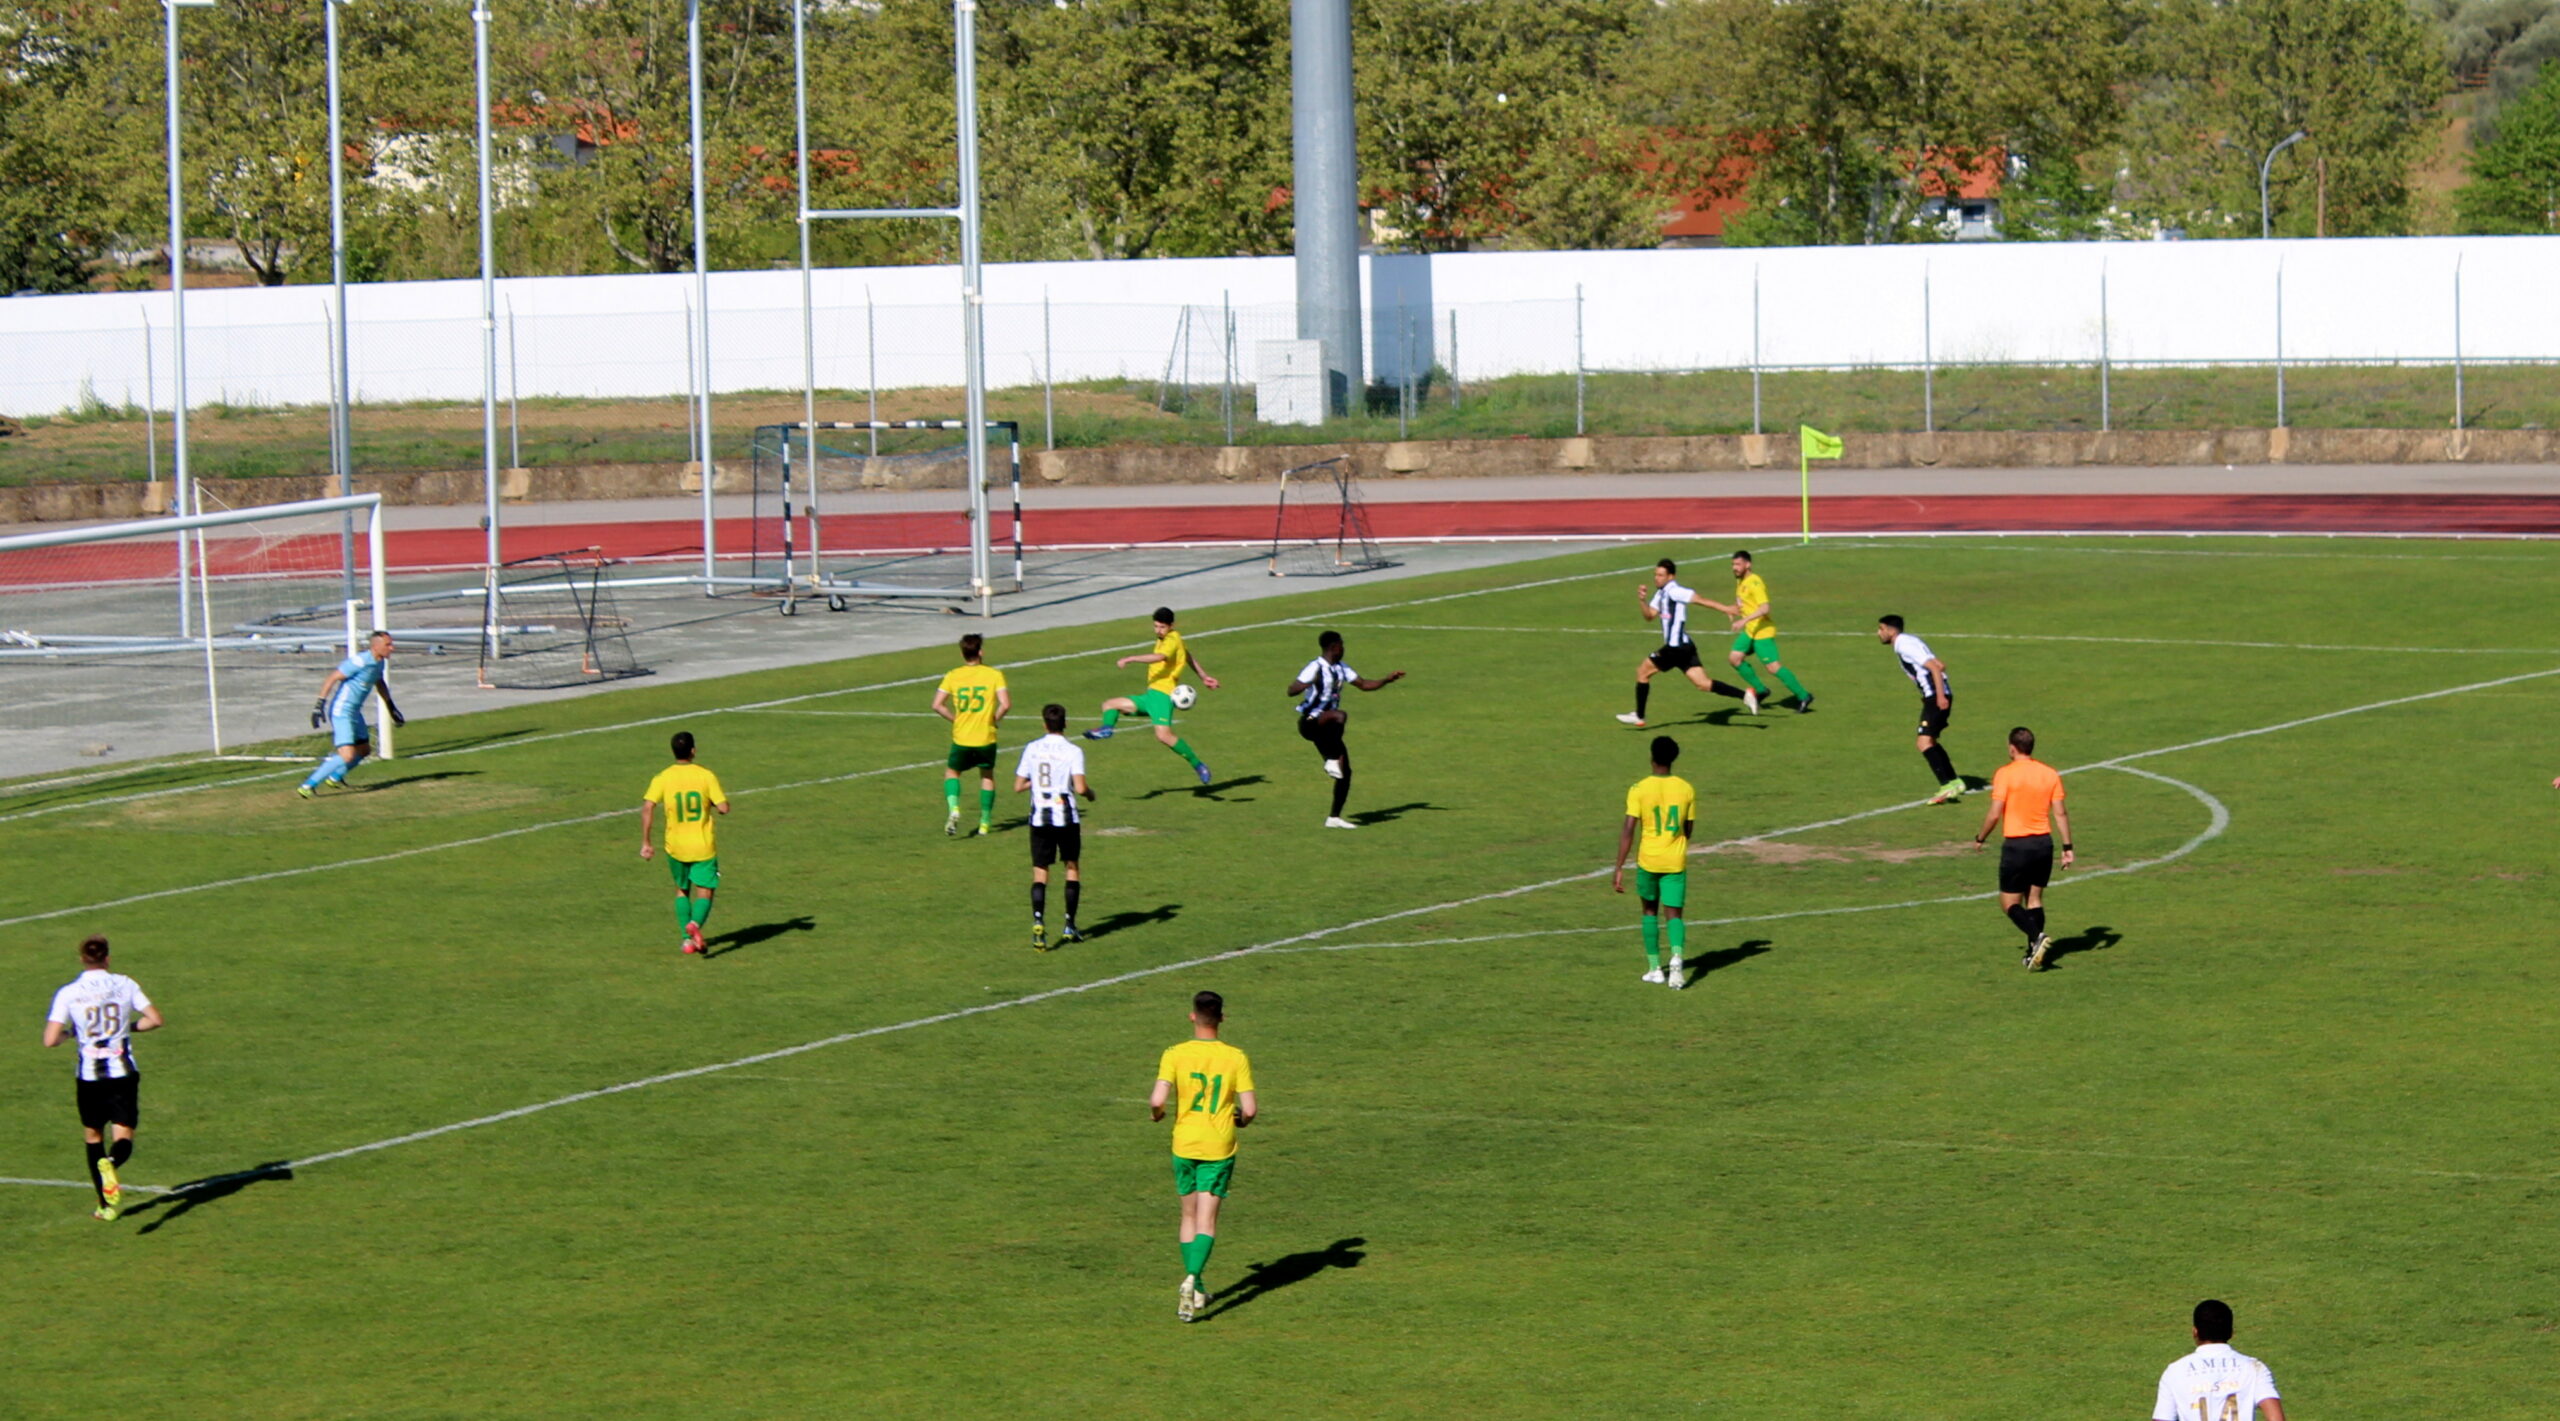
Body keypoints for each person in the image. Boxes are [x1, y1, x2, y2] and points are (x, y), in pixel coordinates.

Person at [1150, 990, 1256, 1323]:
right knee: (1207, 1220)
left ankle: (1195, 1290)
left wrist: (1158, 1115)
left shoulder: (1175, 1053)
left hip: (1184, 1143)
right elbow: (1250, 1109)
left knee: (1188, 1217)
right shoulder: (1235, 1057)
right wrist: (1241, 1119)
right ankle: (1193, 1279)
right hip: (1218, 1146)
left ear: (1192, 1016)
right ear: (1222, 1019)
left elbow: (1156, 1100)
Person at [43, 936, 164, 1222]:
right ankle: (112, 1162)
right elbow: (155, 1019)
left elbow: (50, 1040)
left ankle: (105, 1206)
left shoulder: (69, 993)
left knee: (92, 1136)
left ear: (82, 959)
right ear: (107, 959)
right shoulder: (124, 984)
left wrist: (71, 1034)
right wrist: (128, 1027)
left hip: (89, 1077)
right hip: (122, 1073)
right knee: (123, 1135)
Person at [1973, 726, 2074, 971]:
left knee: (2009, 903)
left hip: (2017, 845)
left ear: (2012, 748)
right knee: (2035, 899)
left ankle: (2036, 936)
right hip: (2043, 844)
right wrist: (2067, 846)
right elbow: (2060, 812)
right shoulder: (2049, 774)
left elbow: (1995, 813)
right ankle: (2033, 953)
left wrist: (1980, 837)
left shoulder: (2005, 774)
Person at [1286, 630, 1406, 829]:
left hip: (1328, 729)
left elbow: (1364, 684)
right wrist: (1306, 683)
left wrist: (1386, 680)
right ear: (1334, 647)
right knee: (1340, 715)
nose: (1344, 649)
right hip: (1310, 723)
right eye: (1342, 645)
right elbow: (1291, 690)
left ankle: (1334, 817)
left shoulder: (1341, 668)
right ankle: (1331, 759)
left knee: (1345, 772)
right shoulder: (1315, 667)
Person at [1087, 607, 1219, 786]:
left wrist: (1131, 658)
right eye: (1156, 626)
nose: (1158, 631)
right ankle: (1107, 729)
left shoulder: (1172, 639)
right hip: (1151, 695)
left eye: (1162, 627)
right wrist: (1203, 676)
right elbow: (1186, 655)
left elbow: (1159, 657)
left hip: (1162, 695)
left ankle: (1198, 765)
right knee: (1110, 704)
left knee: (1164, 736)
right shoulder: (1170, 639)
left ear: (1171, 625)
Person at [1618, 558, 1756, 726]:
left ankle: (1639, 716)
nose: (1657, 578)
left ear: (1671, 576)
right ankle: (1746, 696)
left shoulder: (1675, 591)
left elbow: (1701, 600)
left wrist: (1727, 609)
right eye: (1655, 575)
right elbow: (1649, 616)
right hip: (1685, 647)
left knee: (1642, 672)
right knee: (1703, 684)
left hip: (1675, 648)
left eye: (1661, 575)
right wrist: (1641, 600)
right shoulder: (1660, 594)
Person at [1612, 735, 1699, 989]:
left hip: (1648, 860)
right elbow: (1688, 828)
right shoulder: (1686, 788)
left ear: (1651, 757)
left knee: (1649, 911)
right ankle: (1676, 960)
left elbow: (1628, 829)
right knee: (1674, 915)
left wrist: (1619, 867)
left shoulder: (1639, 789)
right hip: (1674, 860)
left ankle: (1654, 969)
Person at [641, 730, 730, 955]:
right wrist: (709, 804)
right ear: (693, 751)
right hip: (702, 845)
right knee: (706, 891)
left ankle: (686, 940)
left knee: (682, 889)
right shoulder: (705, 776)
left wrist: (646, 842)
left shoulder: (662, 777)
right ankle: (695, 925)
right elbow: (723, 808)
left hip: (675, 846)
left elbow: (648, 807)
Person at [1014, 703, 1095, 952]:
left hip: (1039, 817)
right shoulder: (1073, 750)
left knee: (1040, 872)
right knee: (1071, 867)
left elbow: (1019, 785)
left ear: (1044, 724)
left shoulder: (1032, 748)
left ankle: (1038, 921)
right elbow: (1080, 788)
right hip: (1066, 817)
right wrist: (1091, 794)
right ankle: (1069, 925)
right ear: (1065, 724)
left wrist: (1037, 783)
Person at [1698, 550, 1814, 714]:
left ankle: (1804, 696)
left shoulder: (1755, 582)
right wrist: (1732, 610)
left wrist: (1744, 620)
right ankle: (1761, 690)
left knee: (1773, 667)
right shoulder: (1741, 581)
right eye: (1733, 565)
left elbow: (1765, 608)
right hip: (1750, 631)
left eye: (1738, 564)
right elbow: (1746, 604)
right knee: (1735, 658)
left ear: (1748, 564)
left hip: (1762, 631)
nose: (1734, 568)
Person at [297, 629, 405, 798]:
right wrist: (319, 705)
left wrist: (391, 707)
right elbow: (332, 678)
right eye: (388, 644)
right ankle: (307, 785)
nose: (392, 648)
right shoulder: (360, 661)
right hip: (342, 711)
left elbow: (379, 682)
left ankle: (334, 777)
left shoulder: (380, 662)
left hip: (354, 712)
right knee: (347, 755)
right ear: (376, 647)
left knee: (363, 750)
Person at [2150, 1299, 2287, 1421]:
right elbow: (2276, 1418)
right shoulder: (2254, 1368)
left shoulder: (2175, 1371)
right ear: (2231, 1332)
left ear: (2195, 1332)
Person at [1878, 615, 1964, 803]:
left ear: (1891, 630)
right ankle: (1955, 781)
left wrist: (1938, 696)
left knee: (1923, 742)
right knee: (1930, 740)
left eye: (1881, 629)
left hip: (1936, 697)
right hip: (1934, 696)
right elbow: (1941, 665)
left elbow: (1934, 668)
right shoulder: (1910, 641)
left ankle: (1947, 785)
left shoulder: (1904, 644)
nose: (1879, 633)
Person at [931, 632, 1011, 837]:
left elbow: (937, 705)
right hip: (986, 736)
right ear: (980, 652)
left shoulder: (953, 675)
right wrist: (994, 719)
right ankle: (984, 822)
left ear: (963, 654)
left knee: (952, 773)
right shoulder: (994, 675)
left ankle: (954, 808)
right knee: (986, 776)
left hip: (962, 737)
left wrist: (955, 719)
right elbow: (1006, 704)